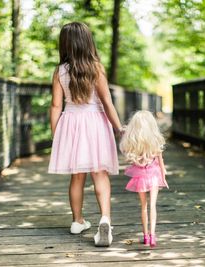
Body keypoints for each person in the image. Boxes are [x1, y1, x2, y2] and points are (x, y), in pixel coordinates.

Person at [48, 22, 123, 247]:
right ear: (88, 41)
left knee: (77, 175)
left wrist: (56, 135)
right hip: (96, 123)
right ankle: (105, 219)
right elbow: (107, 102)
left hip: (71, 123)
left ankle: (77, 221)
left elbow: (55, 106)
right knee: (100, 173)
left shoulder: (60, 71)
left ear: (65, 44)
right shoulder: (96, 68)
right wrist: (119, 128)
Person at [119, 110, 168, 248]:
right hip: (153, 177)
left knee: (143, 207)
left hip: (140, 177)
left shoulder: (133, 144)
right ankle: (152, 236)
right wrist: (163, 178)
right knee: (153, 206)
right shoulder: (155, 143)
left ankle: (145, 236)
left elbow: (124, 134)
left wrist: (125, 130)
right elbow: (162, 165)